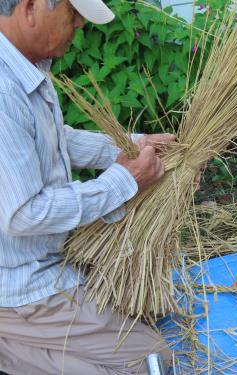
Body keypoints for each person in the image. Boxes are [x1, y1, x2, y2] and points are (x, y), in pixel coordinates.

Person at [0, 0, 179, 373]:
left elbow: (52, 138)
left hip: (44, 260)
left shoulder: (21, 68)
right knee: (153, 363)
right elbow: (23, 213)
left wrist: (133, 146)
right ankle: (11, 338)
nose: (80, 23)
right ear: (31, 7)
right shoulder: (3, 91)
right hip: (23, 285)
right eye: (72, 12)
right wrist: (125, 182)